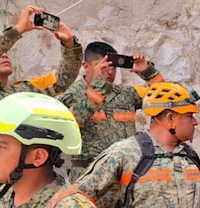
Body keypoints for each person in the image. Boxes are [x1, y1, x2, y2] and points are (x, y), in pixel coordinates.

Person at [59, 41, 164, 183]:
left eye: (113, 67)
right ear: (85, 67)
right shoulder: (72, 96)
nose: (109, 72)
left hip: (125, 176)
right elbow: (75, 121)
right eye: (103, 66)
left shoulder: (126, 94)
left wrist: (147, 71)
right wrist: (98, 87)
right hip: (89, 177)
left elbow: (162, 97)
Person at [0, 5, 82, 107]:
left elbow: (62, 80)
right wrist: (18, 30)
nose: (4, 55)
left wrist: (69, 44)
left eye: (5, 52)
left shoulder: (25, 91)